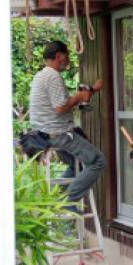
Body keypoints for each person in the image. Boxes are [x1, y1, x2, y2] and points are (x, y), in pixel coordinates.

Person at [28, 40, 105, 206]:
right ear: (58, 56)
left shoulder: (41, 75)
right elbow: (61, 108)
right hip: (58, 135)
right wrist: (78, 97)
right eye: (67, 56)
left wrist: (88, 92)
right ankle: (67, 202)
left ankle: (58, 198)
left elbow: (60, 105)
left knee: (77, 164)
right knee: (98, 161)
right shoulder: (53, 76)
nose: (68, 60)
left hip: (44, 135)